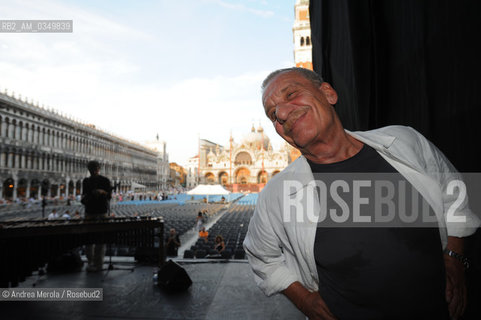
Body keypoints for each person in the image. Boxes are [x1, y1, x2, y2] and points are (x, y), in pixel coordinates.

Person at [243, 67, 480, 320]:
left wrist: (454, 257)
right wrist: (305, 300)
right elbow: (262, 257)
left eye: (291, 94)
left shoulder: (404, 141)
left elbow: (456, 193)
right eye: (272, 114)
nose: (281, 113)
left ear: (328, 93)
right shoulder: (277, 194)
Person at [81, 160, 112, 272]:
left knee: (99, 239)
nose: (93, 171)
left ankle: (97, 263)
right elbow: (83, 197)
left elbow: (109, 196)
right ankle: (92, 263)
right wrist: (89, 196)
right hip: (90, 211)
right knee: (90, 240)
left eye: (94, 168)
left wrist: (102, 192)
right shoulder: (86, 181)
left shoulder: (105, 180)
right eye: (91, 169)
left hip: (100, 211)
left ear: (98, 169)